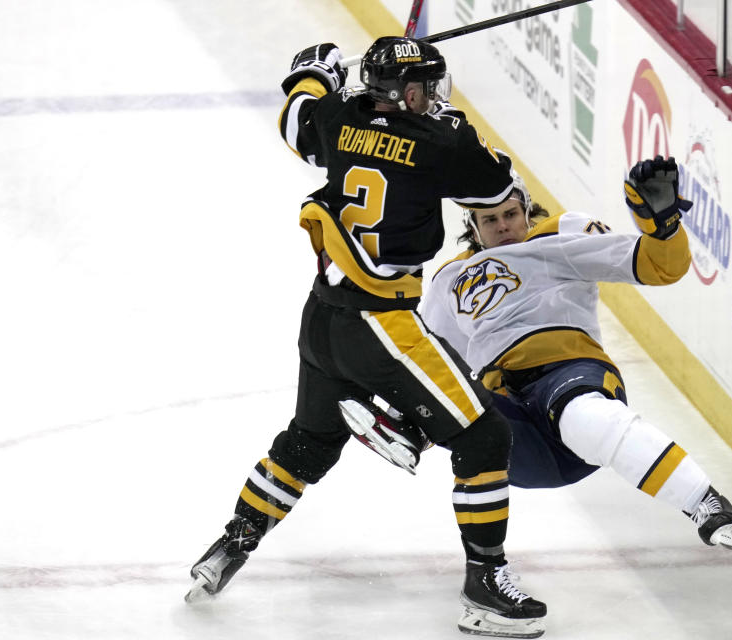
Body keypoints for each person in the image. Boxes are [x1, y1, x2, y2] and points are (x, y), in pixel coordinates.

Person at [186, 37, 547, 639]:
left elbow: (295, 118)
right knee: (485, 435)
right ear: (408, 92)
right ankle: (485, 586)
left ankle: (230, 546)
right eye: (428, 88)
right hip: (383, 325)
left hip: (322, 318)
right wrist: (451, 125)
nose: (436, 97)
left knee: (311, 438)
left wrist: (314, 74)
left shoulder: (335, 116)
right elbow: (495, 187)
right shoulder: (440, 141)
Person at [346, 154, 732, 552]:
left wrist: (664, 227)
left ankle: (708, 506)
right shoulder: (449, 280)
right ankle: (413, 439)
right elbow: (428, 358)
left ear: (527, 210)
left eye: (510, 214)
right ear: (473, 227)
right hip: (514, 422)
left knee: (583, 415)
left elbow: (660, 266)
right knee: (458, 412)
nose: (504, 226)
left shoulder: (562, 234)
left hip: (568, 371)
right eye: (489, 220)